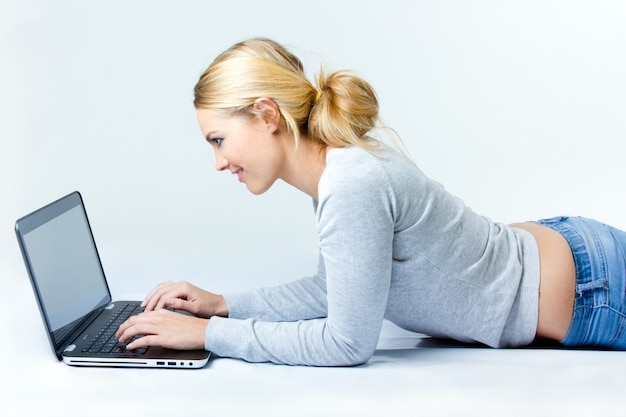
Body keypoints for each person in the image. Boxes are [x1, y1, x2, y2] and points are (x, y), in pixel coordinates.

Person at [116, 38, 626, 366]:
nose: (219, 162)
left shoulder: (350, 184)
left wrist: (208, 337)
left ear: (267, 114)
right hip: (572, 262)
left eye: (218, 139)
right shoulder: (339, 170)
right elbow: (339, 288)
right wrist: (223, 307)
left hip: (593, 290)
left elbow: (346, 342)